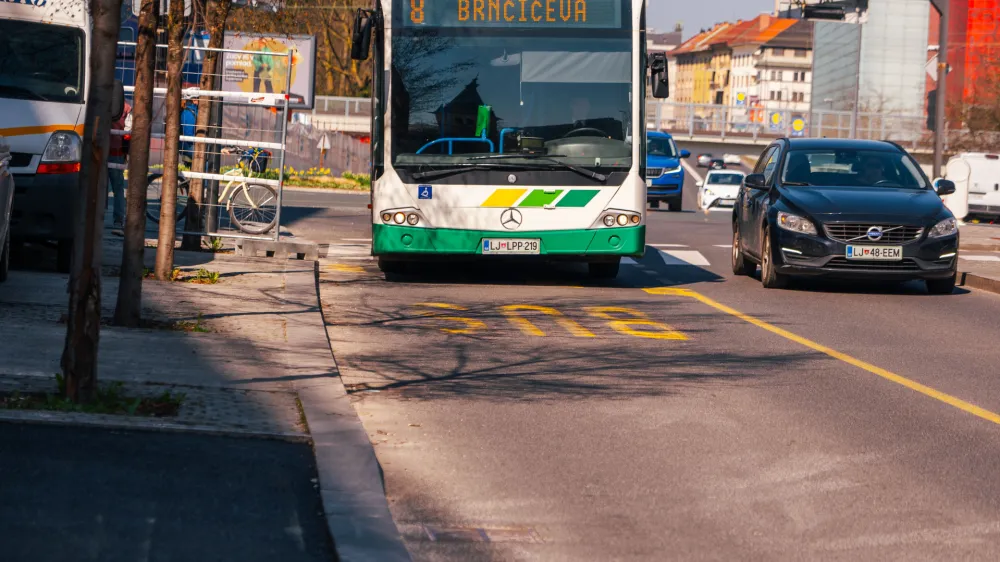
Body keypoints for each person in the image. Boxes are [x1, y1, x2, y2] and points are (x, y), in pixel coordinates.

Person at [107, 100, 132, 231]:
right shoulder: (126, 107)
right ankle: (118, 221)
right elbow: (128, 132)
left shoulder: (95, 100)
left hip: (96, 149)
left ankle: (92, 219)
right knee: (118, 188)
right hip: (116, 151)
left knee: (96, 187)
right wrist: (126, 152)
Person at [179, 92, 199, 166]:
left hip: (190, 145)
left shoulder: (194, 111)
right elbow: (189, 136)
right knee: (208, 157)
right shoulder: (188, 113)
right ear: (194, 100)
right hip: (188, 146)